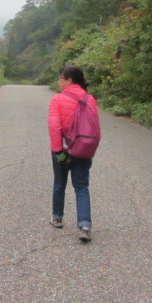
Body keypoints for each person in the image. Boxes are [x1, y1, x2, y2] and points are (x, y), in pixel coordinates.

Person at [47, 65, 100, 242]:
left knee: (59, 183)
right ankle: (85, 225)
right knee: (82, 187)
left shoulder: (57, 100)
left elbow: (55, 128)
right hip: (83, 150)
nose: (59, 81)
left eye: (60, 78)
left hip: (63, 149)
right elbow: (94, 128)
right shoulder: (89, 99)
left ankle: (57, 218)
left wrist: (58, 152)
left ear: (69, 80)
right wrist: (90, 149)